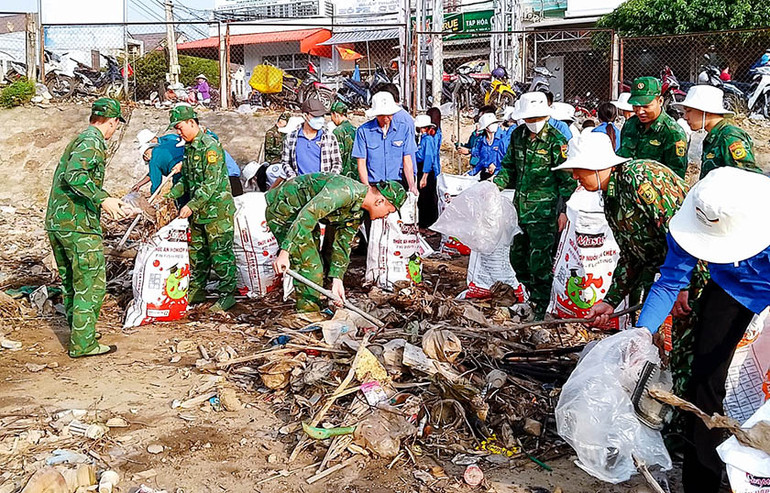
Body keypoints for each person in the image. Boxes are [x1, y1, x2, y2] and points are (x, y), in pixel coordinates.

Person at [634, 168, 770, 493]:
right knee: (706, 383)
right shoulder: (699, 212)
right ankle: (702, 483)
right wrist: (639, 335)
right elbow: (669, 282)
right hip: (729, 289)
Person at [549, 133, 689, 327]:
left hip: (694, 276)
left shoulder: (638, 178)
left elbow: (682, 235)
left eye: (578, 170)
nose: (574, 177)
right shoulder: (611, 198)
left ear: (595, 166)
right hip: (671, 280)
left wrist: (682, 284)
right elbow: (631, 255)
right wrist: (609, 301)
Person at [45, 98, 133, 357]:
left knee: (72, 282)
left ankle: (79, 331)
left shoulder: (81, 138)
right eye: (116, 125)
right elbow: (75, 175)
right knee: (91, 283)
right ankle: (83, 345)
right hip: (78, 225)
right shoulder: (93, 141)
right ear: (112, 122)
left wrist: (107, 198)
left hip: (60, 223)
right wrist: (103, 199)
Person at [267, 174, 407, 312]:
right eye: (388, 212)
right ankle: (308, 316)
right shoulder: (344, 192)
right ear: (379, 201)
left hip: (304, 216)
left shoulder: (359, 211)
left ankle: (314, 304)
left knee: (318, 262)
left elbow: (342, 243)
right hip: (286, 210)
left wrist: (337, 279)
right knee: (310, 266)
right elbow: (308, 215)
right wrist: (285, 251)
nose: (385, 217)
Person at [493, 92, 574, 317]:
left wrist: (564, 211)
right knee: (517, 257)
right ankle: (531, 294)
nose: (534, 123)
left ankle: (540, 307)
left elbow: (566, 180)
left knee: (540, 261)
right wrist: (493, 186)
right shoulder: (517, 136)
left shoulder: (557, 141)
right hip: (521, 209)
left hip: (545, 213)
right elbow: (508, 168)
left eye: (537, 118)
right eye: (529, 119)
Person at [165, 104, 237, 313]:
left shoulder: (210, 147)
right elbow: (187, 181)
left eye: (180, 127)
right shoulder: (189, 148)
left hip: (217, 212)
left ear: (192, 123)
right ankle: (197, 290)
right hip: (198, 213)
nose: (179, 132)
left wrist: (190, 205)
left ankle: (227, 296)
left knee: (220, 254)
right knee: (197, 254)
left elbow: (210, 183)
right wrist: (169, 197)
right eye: (176, 129)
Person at [676, 85, 761, 179]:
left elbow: (748, 177)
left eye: (689, 111)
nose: (685, 117)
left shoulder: (729, 137)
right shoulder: (714, 136)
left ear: (706, 111)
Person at [617, 77, 689, 178]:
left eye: (646, 106)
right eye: (635, 106)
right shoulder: (630, 125)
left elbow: (676, 178)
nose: (640, 111)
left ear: (660, 101)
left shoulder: (673, 133)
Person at [353, 91, 419, 195]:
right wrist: (367, 188)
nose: (386, 118)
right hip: (374, 184)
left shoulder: (404, 129)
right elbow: (361, 162)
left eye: (389, 114)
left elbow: (407, 160)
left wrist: (412, 185)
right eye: (382, 115)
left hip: (396, 184)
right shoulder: (363, 131)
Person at [279, 99, 342, 182]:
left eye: (322, 116)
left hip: (322, 187)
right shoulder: (291, 138)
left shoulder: (329, 138)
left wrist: (329, 180)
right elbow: (285, 162)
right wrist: (293, 178)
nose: (320, 119)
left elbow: (337, 163)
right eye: (316, 116)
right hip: (299, 187)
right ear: (305, 115)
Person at [415, 115, 440, 228]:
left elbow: (428, 157)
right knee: (423, 199)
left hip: (427, 171)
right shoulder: (423, 139)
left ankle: (429, 225)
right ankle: (424, 224)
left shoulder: (428, 140)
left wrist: (424, 176)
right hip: (422, 168)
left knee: (428, 199)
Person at [469, 112, 505, 180]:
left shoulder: (504, 139)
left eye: (494, 123)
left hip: (500, 176)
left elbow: (507, 159)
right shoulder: (482, 141)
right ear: (485, 127)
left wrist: (496, 165)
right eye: (491, 124)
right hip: (485, 174)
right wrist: (470, 174)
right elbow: (481, 161)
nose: (494, 125)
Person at [330, 101, 358, 179]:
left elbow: (337, 157)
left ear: (335, 114)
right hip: (356, 175)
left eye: (331, 115)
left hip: (343, 177)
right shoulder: (355, 129)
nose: (331, 119)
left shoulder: (337, 132)